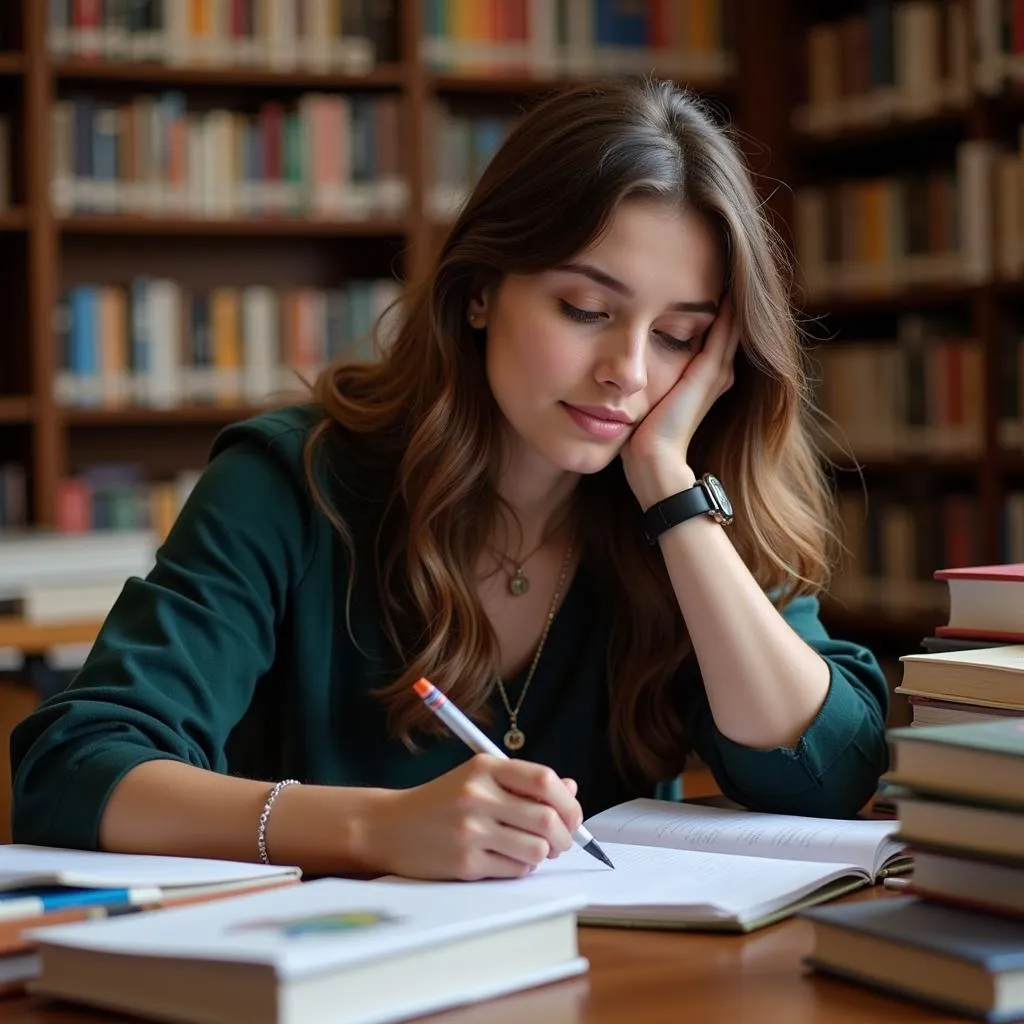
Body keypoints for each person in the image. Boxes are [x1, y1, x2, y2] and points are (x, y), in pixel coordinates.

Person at [11, 77, 888, 882]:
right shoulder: (290, 481)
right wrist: (375, 828)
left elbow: (831, 776)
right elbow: (76, 769)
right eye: (585, 309)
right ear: (480, 290)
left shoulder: (693, 501)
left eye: (679, 336)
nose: (628, 370)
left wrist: (669, 491)